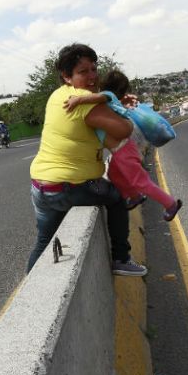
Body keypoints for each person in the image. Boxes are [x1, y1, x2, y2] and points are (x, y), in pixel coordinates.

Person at [27, 43, 147, 276]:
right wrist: (127, 116)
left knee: (43, 242)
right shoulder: (83, 98)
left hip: (41, 186)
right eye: (83, 72)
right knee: (116, 196)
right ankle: (121, 258)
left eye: (94, 69)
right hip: (69, 186)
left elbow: (95, 131)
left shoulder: (57, 95)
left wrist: (113, 108)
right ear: (66, 76)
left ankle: (28, 292)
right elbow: (122, 130)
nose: (92, 77)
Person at [64, 70, 182, 222]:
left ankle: (170, 204)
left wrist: (79, 100)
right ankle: (135, 196)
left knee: (140, 181)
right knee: (113, 175)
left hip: (124, 151)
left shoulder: (108, 97)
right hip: (120, 151)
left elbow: (101, 96)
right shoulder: (112, 104)